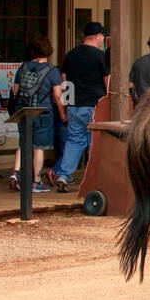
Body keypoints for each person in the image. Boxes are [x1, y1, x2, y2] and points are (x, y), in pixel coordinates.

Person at [52, 22, 110, 191]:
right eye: (102, 36)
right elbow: (107, 82)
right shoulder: (100, 56)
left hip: (74, 104)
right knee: (94, 141)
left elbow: (65, 82)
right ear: (97, 36)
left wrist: (64, 108)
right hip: (95, 105)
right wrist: (108, 101)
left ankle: (63, 175)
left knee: (74, 140)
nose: (102, 39)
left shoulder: (71, 55)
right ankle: (93, 178)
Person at [9, 37, 64, 193]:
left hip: (23, 112)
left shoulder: (23, 67)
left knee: (23, 143)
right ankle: (36, 181)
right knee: (38, 148)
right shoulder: (52, 71)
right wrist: (62, 113)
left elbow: (15, 91)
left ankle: (15, 173)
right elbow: (58, 95)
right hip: (43, 112)